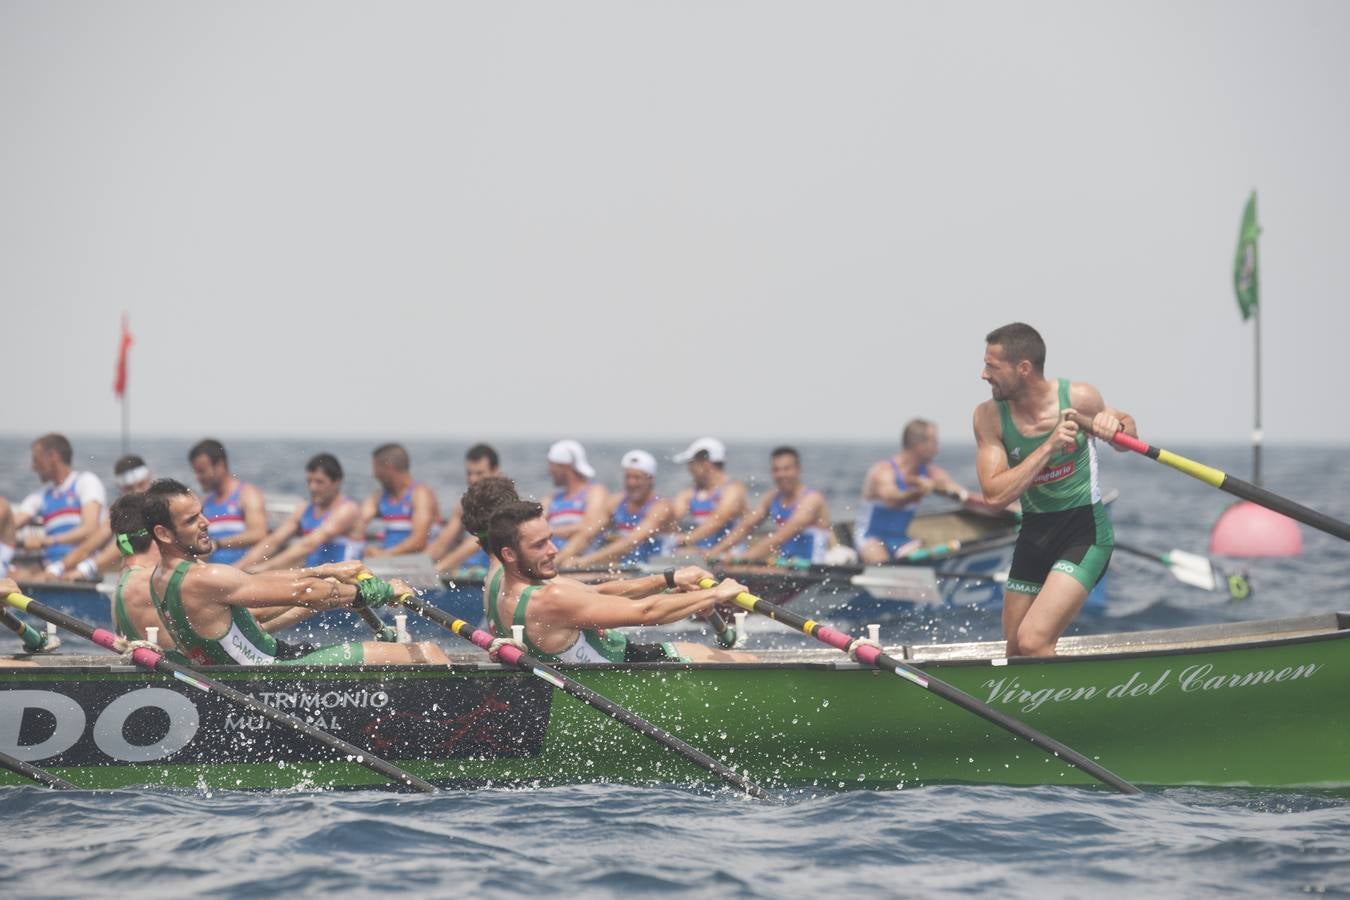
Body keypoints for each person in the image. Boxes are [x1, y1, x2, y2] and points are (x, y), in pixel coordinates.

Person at [143, 479, 447, 666]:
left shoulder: (160, 578)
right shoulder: (204, 578)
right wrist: (378, 592)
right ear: (164, 534)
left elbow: (257, 585)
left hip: (261, 667)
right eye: (191, 520)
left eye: (202, 513)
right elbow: (305, 594)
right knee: (429, 653)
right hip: (271, 674)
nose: (206, 522)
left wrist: (325, 571)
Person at [973, 322, 1135, 658]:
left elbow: (1125, 438)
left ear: (1024, 369)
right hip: (1034, 535)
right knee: (1016, 650)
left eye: (992, 366)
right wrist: (1047, 448)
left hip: (1083, 533)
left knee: (1033, 641)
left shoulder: (1079, 397)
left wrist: (1115, 424)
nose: (983, 375)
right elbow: (994, 495)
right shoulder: (989, 417)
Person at [485, 500, 752, 663]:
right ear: (508, 554)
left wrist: (670, 579)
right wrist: (715, 595)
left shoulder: (501, 582)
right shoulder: (548, 600)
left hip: (621, 656)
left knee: (716, 652)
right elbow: (646, 613)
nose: (554, 549)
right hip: (624, 672)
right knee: (748, 661)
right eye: (540, 545)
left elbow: (596, 592)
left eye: (551, 538)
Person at [857, 420, 973, 564]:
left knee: (924, 561)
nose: (937, 449)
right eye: (934, 442)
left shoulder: (932, 473)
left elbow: (965, 496)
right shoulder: (883, 472)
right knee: (882, 562)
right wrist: (918, 492)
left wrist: (1003, 506)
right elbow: (892, 500)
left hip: (900, 539)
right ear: (920, 446)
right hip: (870, 538)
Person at [238, 454, 364, 573]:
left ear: (337, 481)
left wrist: (262, 569)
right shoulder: (304, 509)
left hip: (345, 583)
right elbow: (273, 541)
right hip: (317, 581)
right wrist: (238, 568)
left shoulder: (348, 510)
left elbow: (308, 544)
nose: (312, 488)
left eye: (319, 482)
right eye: (309, 481)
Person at [707, 447, 831, 565]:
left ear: (798, 469)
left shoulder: (812, 499)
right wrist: (715, 552)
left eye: (786, 469)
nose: (781, 475)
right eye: (776, 470)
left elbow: (780, 537)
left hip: (814, 569)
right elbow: (745, 526)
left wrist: (743, 557)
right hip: (787, 566)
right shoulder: (772, 498)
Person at [7, 434, 108, 577]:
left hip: (78, 567)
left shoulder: (85, 482)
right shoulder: (41, 496)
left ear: (53, 457)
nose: (32, 467)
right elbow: (11, 524)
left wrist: (49, 541)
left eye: (36, 459)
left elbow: (90, 529)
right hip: (50, 567)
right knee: (9, 577)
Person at [59, 454, 156, 581]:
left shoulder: (158, 506)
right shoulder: (119, 510)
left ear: (149, 477)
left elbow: (128, 541)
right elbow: (95, 540)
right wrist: (60, 567)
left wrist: (84, 569)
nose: (137, 492)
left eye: (141, 485)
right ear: (121, 488)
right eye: (129, 488)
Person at [573, 450, 675, 569]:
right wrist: (561, 559)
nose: (631, 483)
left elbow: (631, 543)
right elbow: (587, 534)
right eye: (628, 477)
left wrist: (584, 561)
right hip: (627, 570)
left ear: (650, 479)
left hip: (656, 571)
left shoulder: (661, 507)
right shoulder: (615, 502)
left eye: (637, 478)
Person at [188, 439, 267, 567]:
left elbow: (258, 534)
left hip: (244, 573)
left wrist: (217, 544)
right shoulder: (204, 503)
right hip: (211, 575)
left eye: (202, 471)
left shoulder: (247, 494)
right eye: (195, 472)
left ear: (220, 465)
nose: (198, 477)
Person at [428, 443, 502, 575]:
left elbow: (477, 541)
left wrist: (438, 569)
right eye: (469, 473)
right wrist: (420, 566)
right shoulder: (463, 506)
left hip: (491, 573)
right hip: (464, 571)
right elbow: (442, 543)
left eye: (479, 473)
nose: (472, 479)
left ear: (495, 471)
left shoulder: (504, 503)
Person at [361, 443, 442, 558]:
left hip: (418, 563)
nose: (374, 474)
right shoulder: (378, 497)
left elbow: (419, 541)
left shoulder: (420, 495)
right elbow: (358, 524)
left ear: (390, 469)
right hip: (390, 562)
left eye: (376, 469)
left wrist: (384, 554)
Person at [669, 437, 748, 552]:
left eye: (692, 464)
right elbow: (670, 518)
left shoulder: (733, 490)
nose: (689, 469)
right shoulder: (688, 494)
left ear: (705, 464)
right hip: (701, 557)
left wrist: (685, 539)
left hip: (727, 558)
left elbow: (718, 520)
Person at [543, 439, 609, 565]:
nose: (549, 471)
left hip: (579, 563)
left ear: (565, 467)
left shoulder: (595, 492)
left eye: (552, 465)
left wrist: (551, 532)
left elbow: (588, 527)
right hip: (553, 562)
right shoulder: (551, 499)